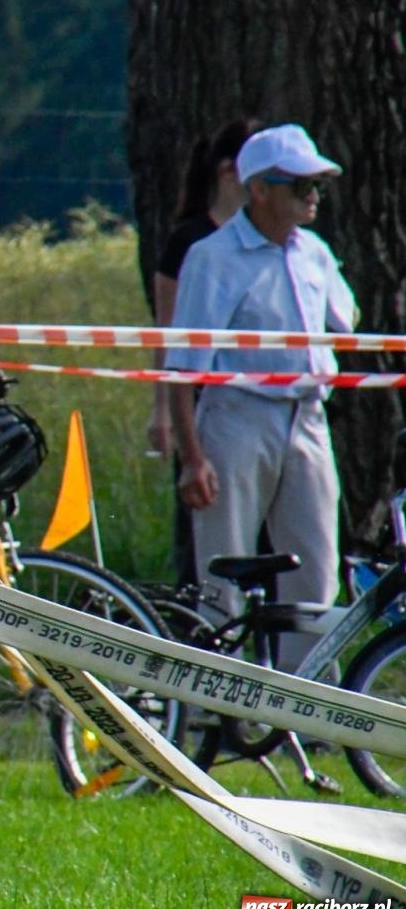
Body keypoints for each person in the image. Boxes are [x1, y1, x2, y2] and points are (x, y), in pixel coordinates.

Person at [166, 123, 355, 674]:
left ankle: (311, 705)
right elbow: (183, 369)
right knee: (225, 570)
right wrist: (193, 457)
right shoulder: (212, 257)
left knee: (317, 569)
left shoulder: (315, 252)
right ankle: (220, 708)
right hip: (237, 420)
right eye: (300, 185)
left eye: (317, 184)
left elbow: (347, 323)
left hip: (309, 419)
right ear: (259, 188)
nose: (313, 196)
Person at [146, 118, 258, 594]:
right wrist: (163, 411)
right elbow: (168, 333)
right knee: (208, 527)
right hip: (202, 407)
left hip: (262, 408)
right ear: (231, 171)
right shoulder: (188, 240)